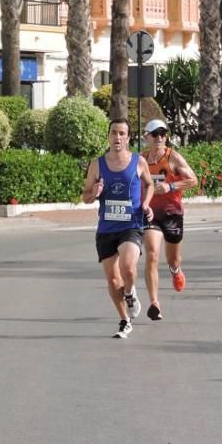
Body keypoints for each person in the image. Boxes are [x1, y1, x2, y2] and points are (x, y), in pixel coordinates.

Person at [81, 118, 154, 339]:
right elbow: (85, 196)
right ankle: (124, 320)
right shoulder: (97, 164)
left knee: (129, 267)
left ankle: (130, 293)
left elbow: (149, 184)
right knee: (113, 281)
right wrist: (95, 192)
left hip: (131, 224)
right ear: (108, 136)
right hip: (106, 228)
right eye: (114, 133)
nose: (118, 137)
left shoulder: (138, 162)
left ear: (128, 138)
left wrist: (146, 203)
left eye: (122, 133)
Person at [141, 119, 198, 320]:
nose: (159, 138)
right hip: (150, 214)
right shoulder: (141, 159)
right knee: (152, 254)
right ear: (146, 137)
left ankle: (175, 270)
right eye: (155, 134)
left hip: (172, 213)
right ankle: (154, 303)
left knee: (173, 259)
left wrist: (171, 186)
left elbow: (193, 180)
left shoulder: (172, 157)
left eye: (163, 134)